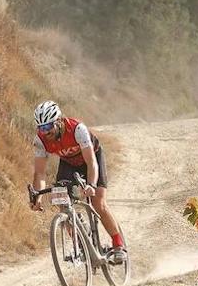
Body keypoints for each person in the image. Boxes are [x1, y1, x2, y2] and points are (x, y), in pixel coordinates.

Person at [30, 100, 126, 263]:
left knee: (98, 202)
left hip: (92, 158)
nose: (45, 132)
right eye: (41, 128)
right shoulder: (40, 140)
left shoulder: (77, 129)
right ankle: (82, 241)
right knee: (62, 202)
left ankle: (118, 245)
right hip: (69, 163)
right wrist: (37, 196)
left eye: (48, 127)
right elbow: (39, 173)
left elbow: (91, 163)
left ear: (59, 121)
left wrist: (91, 185)